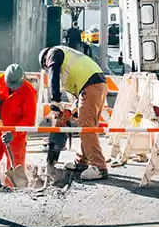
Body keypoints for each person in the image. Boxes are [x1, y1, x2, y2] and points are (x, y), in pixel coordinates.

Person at [39, 45, 109, 181]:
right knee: (87, 124)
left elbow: (53, 72)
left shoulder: (53, 53)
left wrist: (55, 100)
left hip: (90, 84)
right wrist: (73, 109)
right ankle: (81, 161)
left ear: (45, 61)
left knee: (86, 126)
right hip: (96, 83)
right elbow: (77, 91)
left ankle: (99, 167)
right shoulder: (68, 57)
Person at [0, 64, 37, 176]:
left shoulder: (29, 92)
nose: (12, 88)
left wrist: (13, 133)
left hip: (15, 137)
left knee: (15, 169)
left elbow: (29, 120)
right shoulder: (0, 79)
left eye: (15, 86)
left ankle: (13, 191)